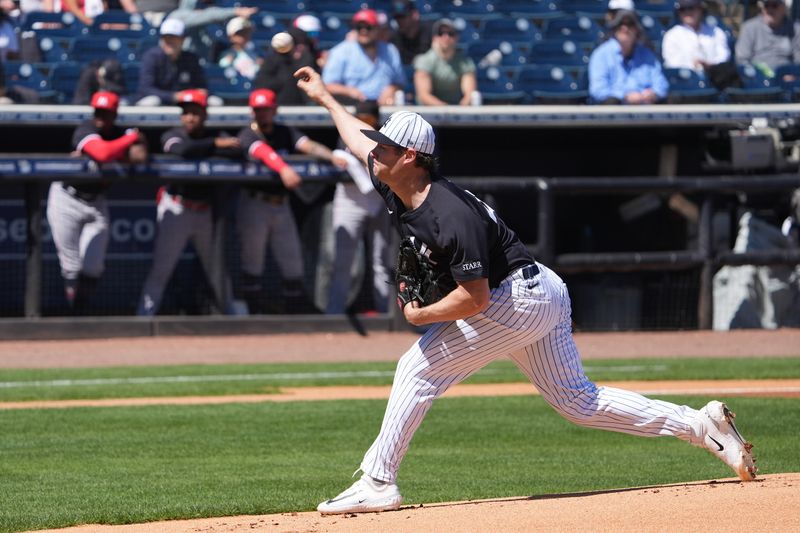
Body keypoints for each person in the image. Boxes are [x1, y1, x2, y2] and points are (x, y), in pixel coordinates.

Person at [293, 65, 757, 514]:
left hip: (512, 300)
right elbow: (357, 140)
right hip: (540, 289)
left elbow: (475, 300)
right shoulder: (398, 183)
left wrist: (420, 316)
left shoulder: (449, 216)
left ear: (410, 157)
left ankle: (378, 482)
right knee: (578, 401)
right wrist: (327, 99)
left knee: (417, 369)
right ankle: (701, 425)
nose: (374, 153)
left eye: (385, 147)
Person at [234, 88, 347, 314]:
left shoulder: (284, 131)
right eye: (258, 110)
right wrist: (284, 169)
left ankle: (294, 318)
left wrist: (330, 155)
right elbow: (263, 151)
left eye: (266, 109)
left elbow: (308, 145)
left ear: (274, 110)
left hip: (281, 205)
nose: (262, 114)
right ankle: (251, 318)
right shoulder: (247, 133)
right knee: (252, 263)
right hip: (255, 204)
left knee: (292, 263)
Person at [137, 89, 240, 316]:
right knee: (161, 270)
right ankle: (142, 319)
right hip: (177, 209)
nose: (190, 118)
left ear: (205, 114)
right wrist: (215, 145)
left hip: (205, 213)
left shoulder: (217, 134)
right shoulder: (174, 134)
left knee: (218, 269)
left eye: (195, 113)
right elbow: (181, 149)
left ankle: (233, 318)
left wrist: (216, 145)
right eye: (186, 113)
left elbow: (238, 150)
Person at [47, 91, 148, 314]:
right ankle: (75, 318)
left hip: (97, 202)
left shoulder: (117, 133)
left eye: (106, 113)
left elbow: (140, 157)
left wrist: (122, 148)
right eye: (98, 112)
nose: (101, 117)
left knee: (93, 267)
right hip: (67, 198)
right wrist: (128, 141)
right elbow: (102, 153)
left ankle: (81, 313)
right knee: (71, 267)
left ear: (114, 114)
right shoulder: (86, 128)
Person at [326, 100, 392, 314]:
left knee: (381, 261)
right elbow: (340, 157)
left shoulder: (384, 136)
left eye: (367, 117)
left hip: (379, 202)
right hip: (350, 201)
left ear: (375, 118)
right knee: (343, 261)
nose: (363, 121)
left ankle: (385, 313)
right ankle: (334, 314)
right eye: (360, 116)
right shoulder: (347, 133)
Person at [321, 8, 406, 106]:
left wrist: (392, 88)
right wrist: (349, 91)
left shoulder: (390, 51)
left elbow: (400, 82)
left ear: (377, 29)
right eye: (359, 27)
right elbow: (327, 85)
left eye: (368, 27)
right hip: (353, 109)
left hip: (384, 108)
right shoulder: (341, 51)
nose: (363, 31)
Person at [588, 9, 669, 104]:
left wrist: (653, 93)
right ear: (614, 28)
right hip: (612, 114)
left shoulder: (647, 54)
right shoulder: (601, 54)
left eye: (630, 24)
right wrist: (625, 96)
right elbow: (597, 90)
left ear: (637, 29)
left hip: (645, 113)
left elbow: (662, 85)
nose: (625, 28)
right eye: (620, 24)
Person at [136, 18, 207, 106]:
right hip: (160, 101)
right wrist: (173, 96)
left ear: (183, 40)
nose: (169, 42)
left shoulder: (191, 58)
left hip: (186, 103)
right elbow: (146, 89)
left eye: (174, 38)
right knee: (152, 101)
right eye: (166, 38)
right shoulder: (152, 57)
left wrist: (199, 92)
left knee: (213, 101)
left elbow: (200, 85)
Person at [412, 18, 477, 106]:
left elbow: (469, 94)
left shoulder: (465, 63)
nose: (446, 37)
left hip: (458, 111)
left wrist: (459, 111)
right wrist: (446, 110)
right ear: (434, 38)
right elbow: (424, 96)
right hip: (429, 113)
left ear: (456, 38)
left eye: (450, 34)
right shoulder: (424, 61)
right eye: (441, 33)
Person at [735, 0, 800, 78]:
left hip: (786, 80)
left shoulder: (795, 29)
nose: (770, 10)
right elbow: (742, 60)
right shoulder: (749, 27)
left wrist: (794, 75)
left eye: (774, 5)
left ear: (784, 8)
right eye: (766, 6)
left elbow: (798, 60)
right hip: (757, 80)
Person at [662, 0, 731, 72]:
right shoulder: (672, 35)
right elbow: (672, 62)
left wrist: (709, 64)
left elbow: (724, 56)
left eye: (691, 8)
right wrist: (693, 65)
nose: (687, 12)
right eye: (682, 9)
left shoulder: (716, 32)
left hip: (715, 75)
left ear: (701, 9)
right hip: (686, 78)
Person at [254, 31, 318, 105]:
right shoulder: (272, 61)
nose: (300, 48)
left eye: (303, 44)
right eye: (297, 44)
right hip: (276, 108)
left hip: (301, 108)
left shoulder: (306, 60)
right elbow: (262, 84)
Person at [217, 15, 262, 80]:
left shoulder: (253, 54)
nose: (245, 35)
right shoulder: (227, 55)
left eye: (247, 32)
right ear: (231, 36)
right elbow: (223, 70)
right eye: (241, 33)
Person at [390, 0, 431, 65]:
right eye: (396, 17)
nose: (399, 21)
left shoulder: (430, 33)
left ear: (415, 15)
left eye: (403, 17)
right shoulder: (394, 39)